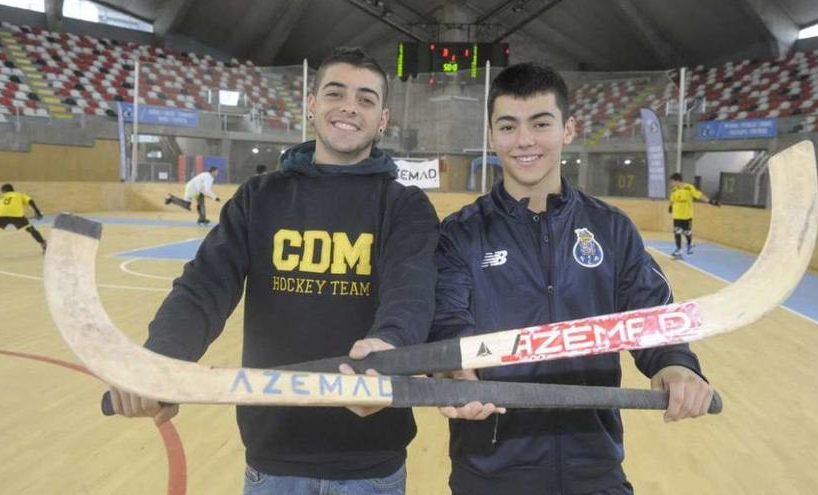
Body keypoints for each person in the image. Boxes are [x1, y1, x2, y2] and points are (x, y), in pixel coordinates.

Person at [108, 47, 439, 495]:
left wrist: (390, 347)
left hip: (371, 462)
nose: (348, 107)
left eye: (365, 99)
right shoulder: (259, 197)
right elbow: (203, 290)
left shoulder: (404, 206)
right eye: (335, 93)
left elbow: (412, 289)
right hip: (273, 458)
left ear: (382, 119)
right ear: (312, 104)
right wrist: (159, 361)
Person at [430, 63, 713, 495]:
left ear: (568, 129)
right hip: (490, 472)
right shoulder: (460, 233)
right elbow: (448, 321)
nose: (524, 140)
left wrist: (675, 364)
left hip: (594, 467)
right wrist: (453, 370)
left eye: (540, 123)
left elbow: (653, 316)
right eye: (508, 126)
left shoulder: (612, 228)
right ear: (491, 135)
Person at [668, 172, 716, 258]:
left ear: (677, 180)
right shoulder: (674, 190)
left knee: (687, 232)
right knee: (677, 232)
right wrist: (670, 206)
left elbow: (699, 195)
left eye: (672, 181)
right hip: (677, 215)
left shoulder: (689, 188)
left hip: (687, 215)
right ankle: (678, 249)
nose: (671, 184)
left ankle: (689, 245)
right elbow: (672, 199)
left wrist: (710, 201)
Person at [0, 183, 47, 253]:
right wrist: (37, 211)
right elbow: (30, 201)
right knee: (30, 229)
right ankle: (43, 243)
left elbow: (1, 208)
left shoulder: (2, 197)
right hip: (17, 216)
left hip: (1, 215)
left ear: (4, 191)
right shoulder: (19, 194)